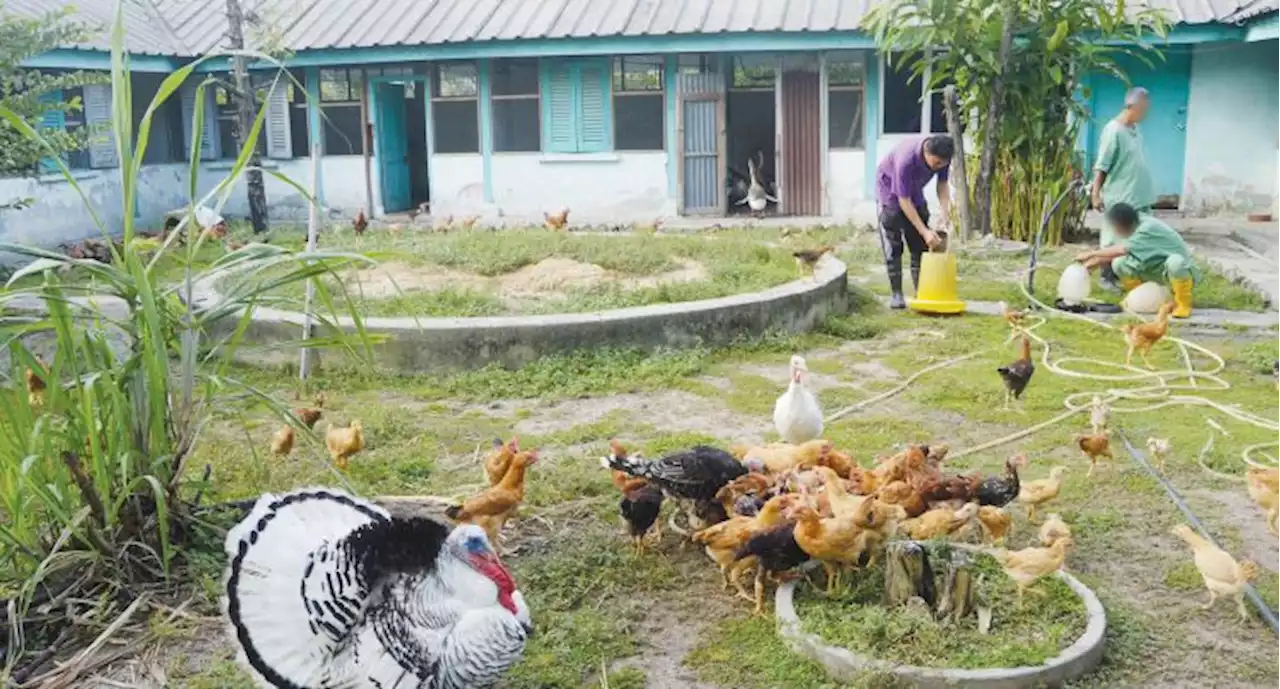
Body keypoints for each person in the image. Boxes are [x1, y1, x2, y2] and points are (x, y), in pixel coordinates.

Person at [1075, 203, 1197, 318]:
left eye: (1114, 226)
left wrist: (1091, 254)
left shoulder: (1146, 228)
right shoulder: (1135, 225)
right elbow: (1116, 253)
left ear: (1121, 225)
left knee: (1176, 263)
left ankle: (1182, 304)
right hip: (1154, 265)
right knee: (1119, 263)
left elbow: (1122, 250)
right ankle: (1141, 298)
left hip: (1178, 271)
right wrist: (1090, 263)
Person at [875, 134, 954, 309]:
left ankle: (921, 291)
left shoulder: (941, 157)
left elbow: (942, 183)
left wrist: (944, 212)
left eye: (942, 164)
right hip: (891, 194)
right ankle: (897, 294)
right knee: (894, 243)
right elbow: (903, 200)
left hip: (915, 191)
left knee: (919, 244)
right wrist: (925, 232)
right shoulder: (906, 159)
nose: (938, 167)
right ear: (926, 152)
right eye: (935, 164)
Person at [1090, 87, 1156, 292]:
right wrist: (1095, 194)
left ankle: (1129, 276)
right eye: (1144, 108)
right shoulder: (1114, 130)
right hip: (1120, 196)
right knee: (1113, 237)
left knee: (1137, 237)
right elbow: (1102, 166)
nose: (1146, 113)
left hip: (1139, 196)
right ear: (1132, 106)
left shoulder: (1135, 129)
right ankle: (1106, 277)